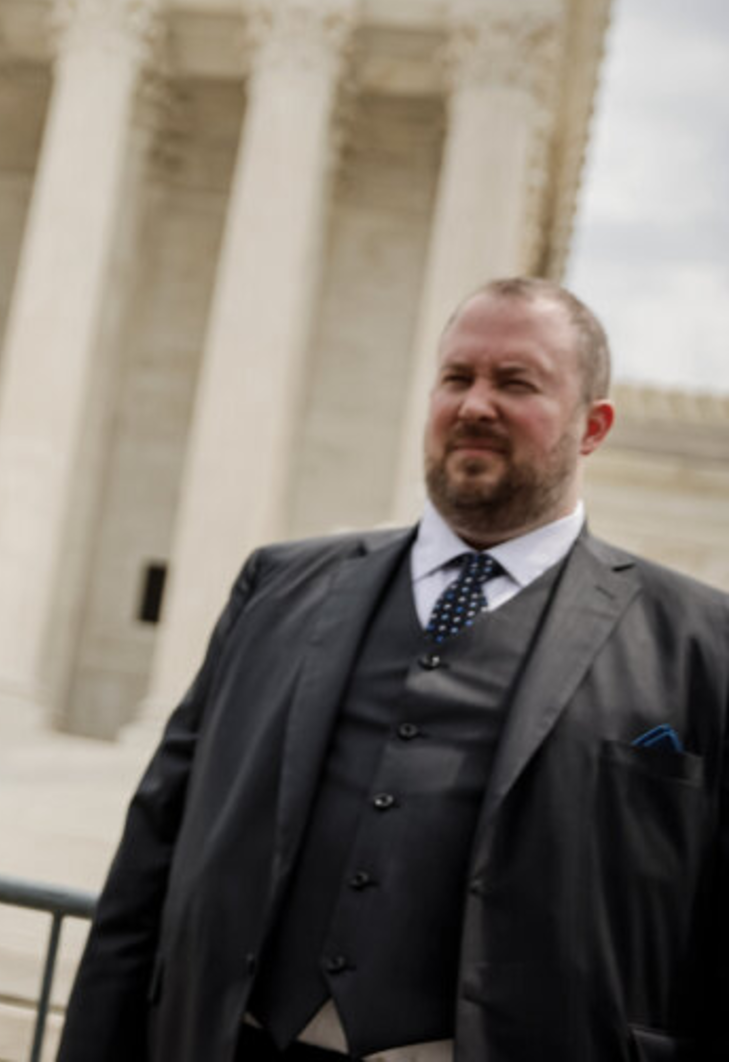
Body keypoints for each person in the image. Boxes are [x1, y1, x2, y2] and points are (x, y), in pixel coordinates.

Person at [59, 278, 729, 1062]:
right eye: (457, 377)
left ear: (593, 427)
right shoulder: (276, 586)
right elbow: (151, 859)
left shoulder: (702, 645)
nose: (475, 405)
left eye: (516, 383)